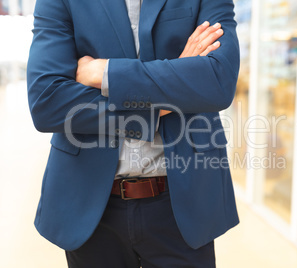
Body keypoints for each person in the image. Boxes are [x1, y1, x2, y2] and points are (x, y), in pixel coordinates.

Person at [27, 0, 240, 267]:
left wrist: (103, 72)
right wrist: (164, 98)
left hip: (184, 202)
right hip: (89, 203)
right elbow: (48, 102)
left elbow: (217, 82)